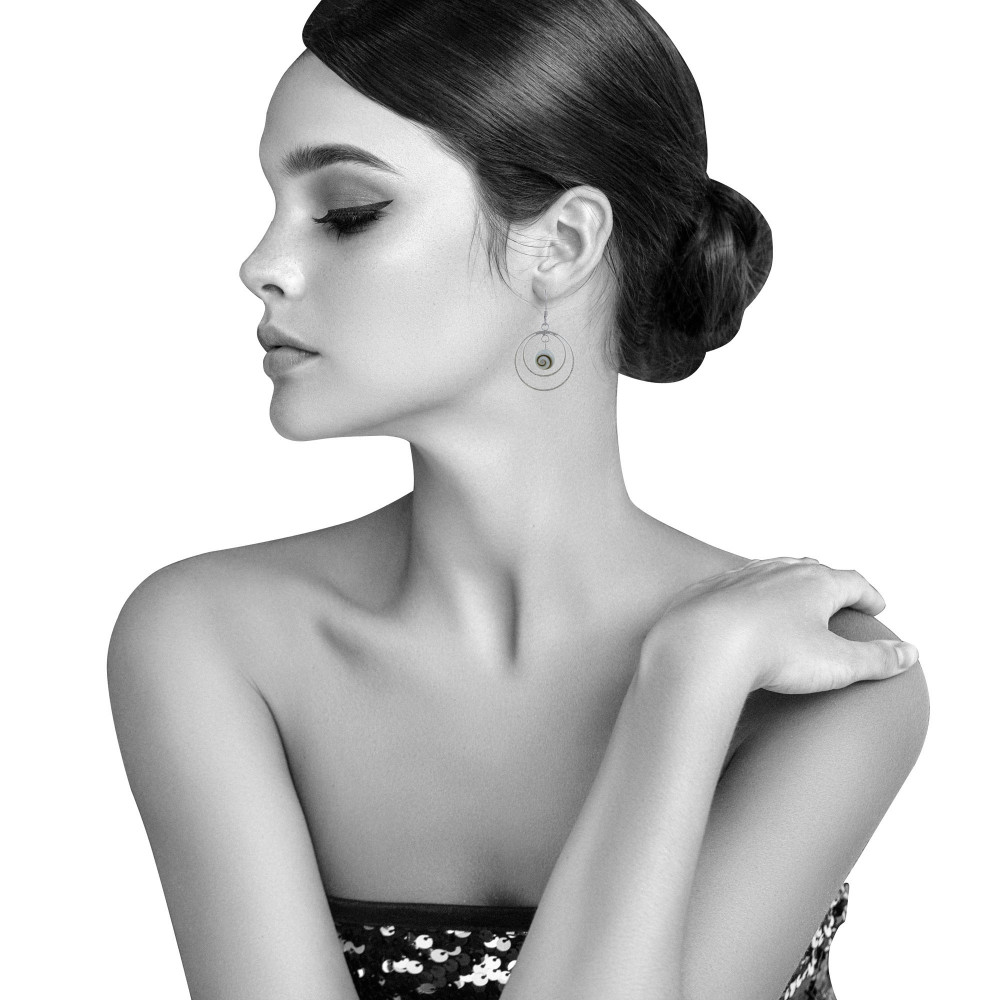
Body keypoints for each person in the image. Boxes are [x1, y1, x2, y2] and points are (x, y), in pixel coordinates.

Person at [106, 2, 930, 998]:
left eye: (346, 212)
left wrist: (691, 677)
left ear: (563, 243)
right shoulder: (209, 639)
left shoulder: (824, 678)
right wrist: (680, 696)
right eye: (276, 207)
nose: (261, 266)